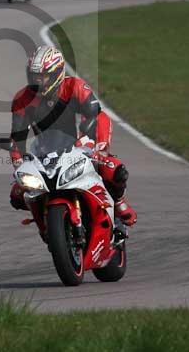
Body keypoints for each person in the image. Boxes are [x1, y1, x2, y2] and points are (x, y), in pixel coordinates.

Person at [7, 45, 137, 226]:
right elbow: (17, 137)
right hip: (46, 152)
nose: (39, 82)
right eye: (34, 77)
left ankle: (119, 201)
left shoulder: (75, 86)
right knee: (16, 195)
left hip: (83, 141)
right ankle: (45, 220)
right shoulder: (23, 99)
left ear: (57, 73)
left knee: (113, 168)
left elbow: (93, 114)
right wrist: (18, 163)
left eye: (43, 77)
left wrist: (91, 143)